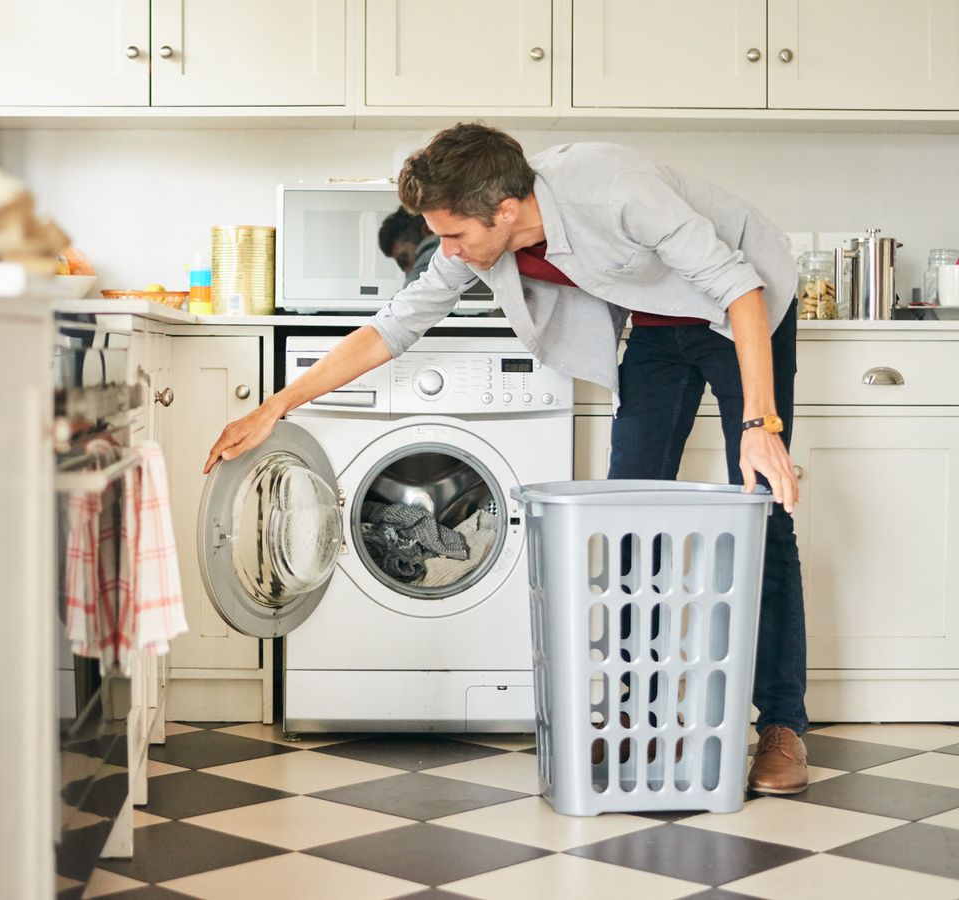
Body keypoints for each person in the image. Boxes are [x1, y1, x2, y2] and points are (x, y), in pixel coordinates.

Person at [204, 123, 809, 795]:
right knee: (631, 521)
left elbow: (737, 286)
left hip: (744, 307)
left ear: (507, 210)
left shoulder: (612, 186)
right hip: (659, 325)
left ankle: (783, 726)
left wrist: (763, 424)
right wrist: (274, 407)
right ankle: (642, 719)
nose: (449, 251)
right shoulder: (482, 236)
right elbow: (393, 327)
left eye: (456, 234)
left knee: (764, 505)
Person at [378, 206, 439, 286]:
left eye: (404, 260)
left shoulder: (433, 252)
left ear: (427, 230)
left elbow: (410, 295)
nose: (407, 273)